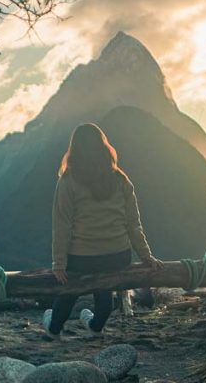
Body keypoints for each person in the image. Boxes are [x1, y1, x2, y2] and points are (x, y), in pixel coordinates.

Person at [43, 123, 162, 340]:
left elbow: (62, 225)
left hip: (82, 257)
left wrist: (59, 264)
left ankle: (54, 328)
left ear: (74, 149)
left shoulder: (68, 181)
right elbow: (133, 223)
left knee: (69, 287)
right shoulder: (120, 180)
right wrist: (146, 255)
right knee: (105, 285)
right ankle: (96, 326)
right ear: (103, 147)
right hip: (118, 255)